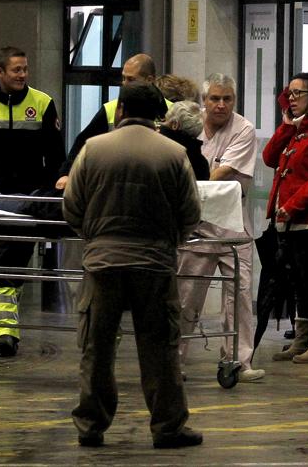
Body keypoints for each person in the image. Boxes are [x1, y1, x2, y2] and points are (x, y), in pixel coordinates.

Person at [61, 81, 204, 449]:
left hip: (102, 263)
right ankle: (168, 427)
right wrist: (168, 242)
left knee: (97, 348)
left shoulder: (93, 149)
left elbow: (72, 207)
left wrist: (94, 238)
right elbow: (191, 213)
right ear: (160, 114)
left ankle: (91, 426)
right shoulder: (173, 154)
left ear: (120, 110)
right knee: (160, 349)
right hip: (155, 265)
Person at [0, 46, 65, 357]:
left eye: (25, 69)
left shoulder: (42, 103)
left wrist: (52, 190)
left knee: (10, 260)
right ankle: (5, 331)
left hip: (32, 198)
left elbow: (57, 157)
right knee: (6, 261)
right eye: (16, 70)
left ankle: (5, 329)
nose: (22, 75)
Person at [177, 74, 266, 383]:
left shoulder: (243, 129)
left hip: (232, 224)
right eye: (215, 98)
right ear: (205, 101)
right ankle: (174, 360)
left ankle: (238, 359)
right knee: (187, 292)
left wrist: (189, 186)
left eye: (227, 99)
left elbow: (224, 172)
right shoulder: (191, 126)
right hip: (197, 224)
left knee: (239, 295)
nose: (221, 104)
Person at [262, 71, 308, 363]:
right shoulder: (296, 129)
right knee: (296, 283)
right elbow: (269, 157)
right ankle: (302, 337)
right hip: (286, 221)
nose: (290, 99)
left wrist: (293, 205)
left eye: (297, 94)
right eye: (288, 93)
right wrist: (285, 126)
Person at [56, 53, 169, 189]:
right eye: (123, 78)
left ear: (149, 80)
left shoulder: (172, 112)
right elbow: (82, 143)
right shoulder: (110, 108)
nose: (124, 84)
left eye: (130, 79)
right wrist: (66, 173)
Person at [160, 100, 210, 181]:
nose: (161, 124)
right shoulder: (201, 164)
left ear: (175, 125)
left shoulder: (159, 153)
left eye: (165, 120)